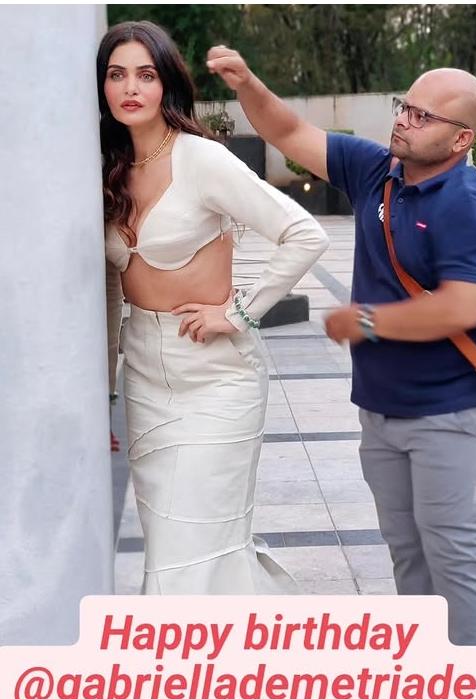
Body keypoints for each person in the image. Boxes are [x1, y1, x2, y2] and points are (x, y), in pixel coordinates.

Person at [208, 47, 476, 645]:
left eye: (423, 116)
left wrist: (366, 322)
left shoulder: (469, 203)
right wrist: (247, 83)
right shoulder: (377, 171)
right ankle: (429, 670)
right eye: (405, 107)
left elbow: (462, 307)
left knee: (455, 557)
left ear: (461, 138)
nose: (404, 121)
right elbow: (289, 131)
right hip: (381, 409)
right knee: (407, 551)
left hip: (450, 413)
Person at [99, 21, 329, 595]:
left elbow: (304, 234)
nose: (131, 87)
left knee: (197, 550)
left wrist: (239, 313)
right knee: (170, 552)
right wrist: (104, 391)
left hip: (217, 377)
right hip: (145, 379)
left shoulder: (201, 159)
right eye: (117, 75)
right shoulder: (105, 170)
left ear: (166, 84)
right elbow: (108, 287)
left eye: (145, 75)